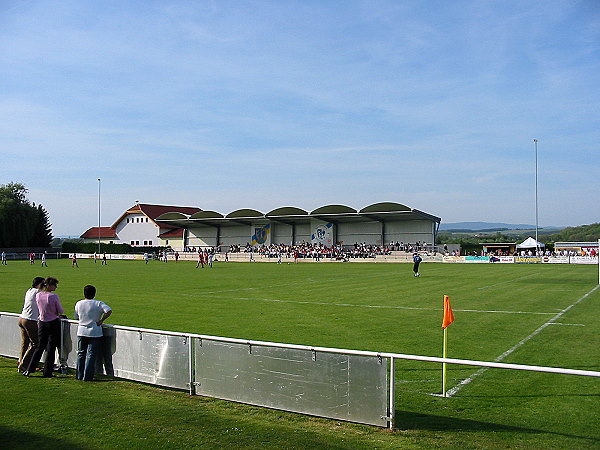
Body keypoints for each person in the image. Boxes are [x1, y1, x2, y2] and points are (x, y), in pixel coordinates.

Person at [23, 277, 66, 377]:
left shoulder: (38, 295)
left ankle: (29, 369)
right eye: (55, 285)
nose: (56, 287)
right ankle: (47, 372)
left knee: (40, 347)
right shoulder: (53, 296)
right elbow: (61, 310)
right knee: (51, 348)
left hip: (42, 322)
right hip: (52, 322)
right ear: (50, 285)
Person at [74, 285, 112, 381]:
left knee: (81, 354)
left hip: (81, 331)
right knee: (91, 355)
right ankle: (88, 376)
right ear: (94, 294)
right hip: (95, 331)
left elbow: (76, 316)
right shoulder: (98, 303)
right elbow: (108, 310)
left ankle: (79, 375)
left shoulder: (79, 303)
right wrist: (101, 320)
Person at [17, 277, 45, 372]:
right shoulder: (38, 293)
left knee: (25, 342)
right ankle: (24, 364)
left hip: (22, 318)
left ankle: (21, 361)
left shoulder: (29, 291)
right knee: (35, 343)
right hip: (30, 320)